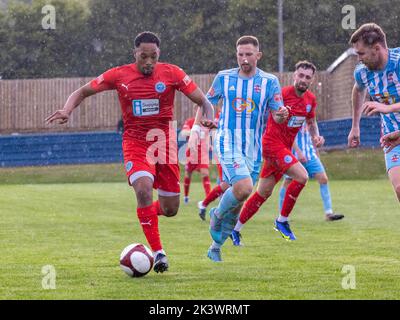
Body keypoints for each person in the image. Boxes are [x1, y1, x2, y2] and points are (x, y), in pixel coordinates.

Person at [45, 31, 214, 273]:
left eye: (153, 57)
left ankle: (147, 216)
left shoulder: (172, 73)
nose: (148, 62)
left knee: (170, 209)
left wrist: (208, 118)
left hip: (164, 145)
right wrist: (67, 110)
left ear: (159, 54)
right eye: (143, 56)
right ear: (135, 53)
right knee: (144, 190)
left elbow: (204, 101)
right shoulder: (119, 75)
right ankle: (159, 253)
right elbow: (82, 91)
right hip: (136, 143)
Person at [200, 35, 288, 262]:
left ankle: (215, 246)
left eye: (249, 54)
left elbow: (278, 116)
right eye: (240, 54)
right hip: (227, 139)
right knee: (244, 187)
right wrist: (204, 124)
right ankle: (216, 214)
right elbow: (205, 103)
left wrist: (282, 114)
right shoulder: (224, 77)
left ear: (258, 55)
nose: (244, 59)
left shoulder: (269, 82)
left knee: (240, 198)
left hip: (253, 148)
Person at [231, 60, 324, 244]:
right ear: (294, 76)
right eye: (300, 75)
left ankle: (234, 229)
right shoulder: (281, 95)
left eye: (307, 77)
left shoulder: (310, 100)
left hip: (284, 148)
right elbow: (267, 113)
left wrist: (316, 137)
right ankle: (282, 221)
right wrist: (277, 115)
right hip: (272, 144)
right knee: (302, 176)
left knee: (263, 193)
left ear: (312, 80)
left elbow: (311, 123)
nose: (303, 79)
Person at [348, 23, 400, 201]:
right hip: (393, 137)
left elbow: (386, 107)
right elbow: (358, 90)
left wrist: (388, 107)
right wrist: (355, 126)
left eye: (361, 53)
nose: (359, 59)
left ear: (376, 48)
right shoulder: (362, 72)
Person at [277, 122, 344, 223]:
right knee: (288, 181)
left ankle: (329, 213)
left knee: (323, 179)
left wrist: (317, 146)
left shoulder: (309, 113)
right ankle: (282, 216)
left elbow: (312, 132)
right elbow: (289, 134)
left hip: (310, 154)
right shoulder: (293, 113)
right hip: (294, 154)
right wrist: (298, 152)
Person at [180, 111, 212, 204]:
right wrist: (195, 131)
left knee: (205, 173)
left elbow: (212, 134)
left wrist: (210, 144)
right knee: (188, 175)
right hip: (192, 153)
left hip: (203, 153)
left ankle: (208, 198)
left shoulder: (207, 123)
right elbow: (183, 133)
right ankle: (186, 197)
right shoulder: (190, 122)